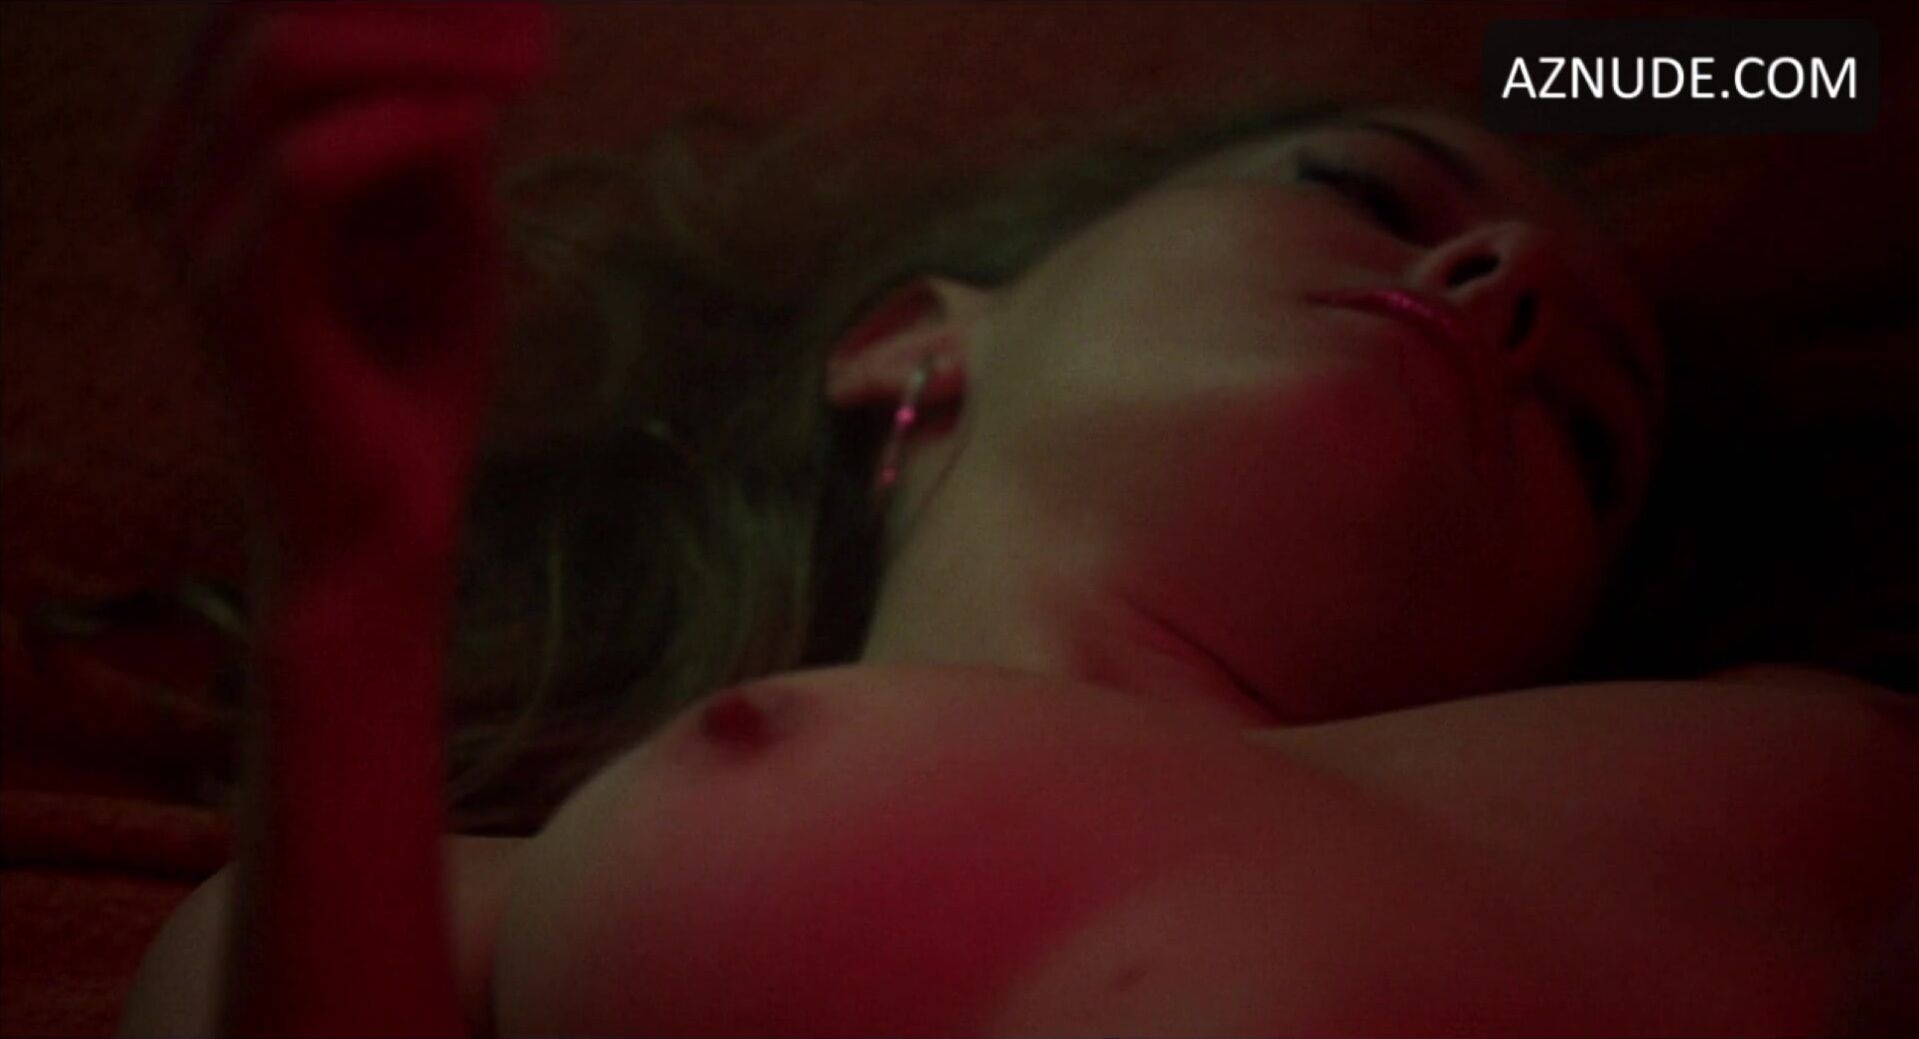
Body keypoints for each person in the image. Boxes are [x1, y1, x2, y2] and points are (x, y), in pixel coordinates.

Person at [117, 4, 1916, 1036]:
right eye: (1369, 194)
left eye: (1595, 434)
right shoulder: (422, 900)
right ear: (915, 343)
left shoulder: (1781, 763)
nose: (1512, 275)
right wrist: (354, 564)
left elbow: (1844, 71)